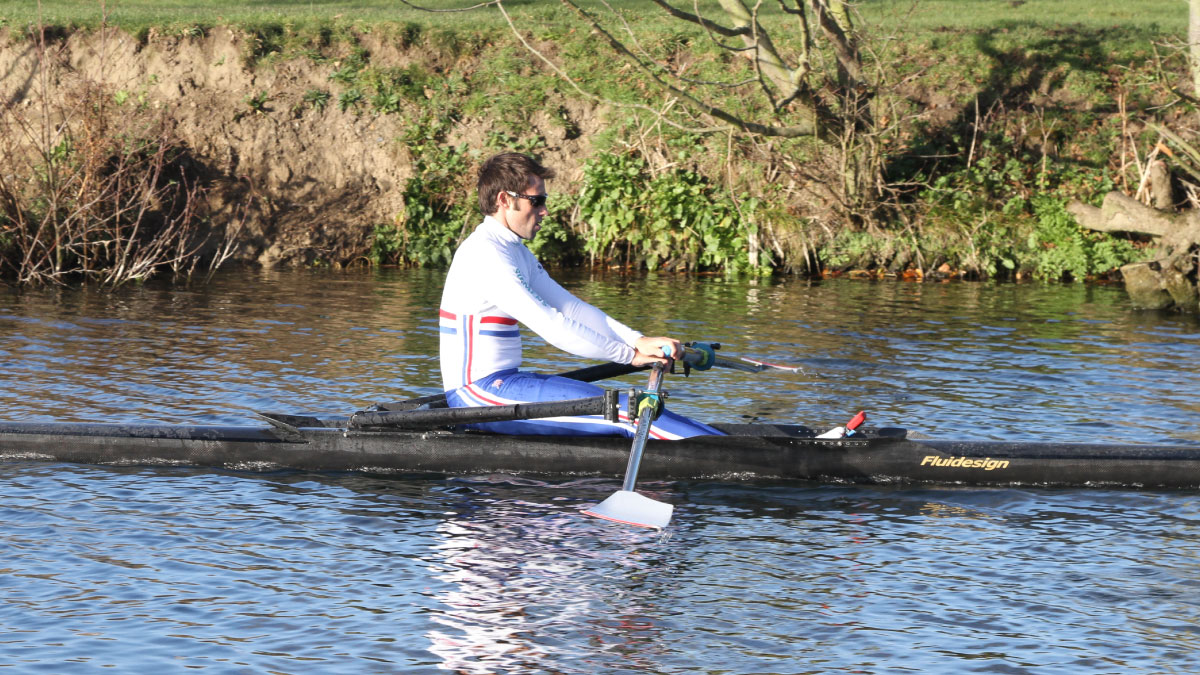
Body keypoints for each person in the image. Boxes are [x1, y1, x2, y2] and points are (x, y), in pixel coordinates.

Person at [438, 152, 723, 439]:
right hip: (477, 397)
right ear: (504, 200)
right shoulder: (486, 255)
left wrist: (636, 340)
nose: (545, 210)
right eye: (536, 201)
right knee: (628, 411)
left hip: (507, 383)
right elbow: (552, 325)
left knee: (626, 406)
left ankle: (724, 445)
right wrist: (629, 356)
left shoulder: (514, 251)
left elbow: (571, 309)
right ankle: (727, 455)